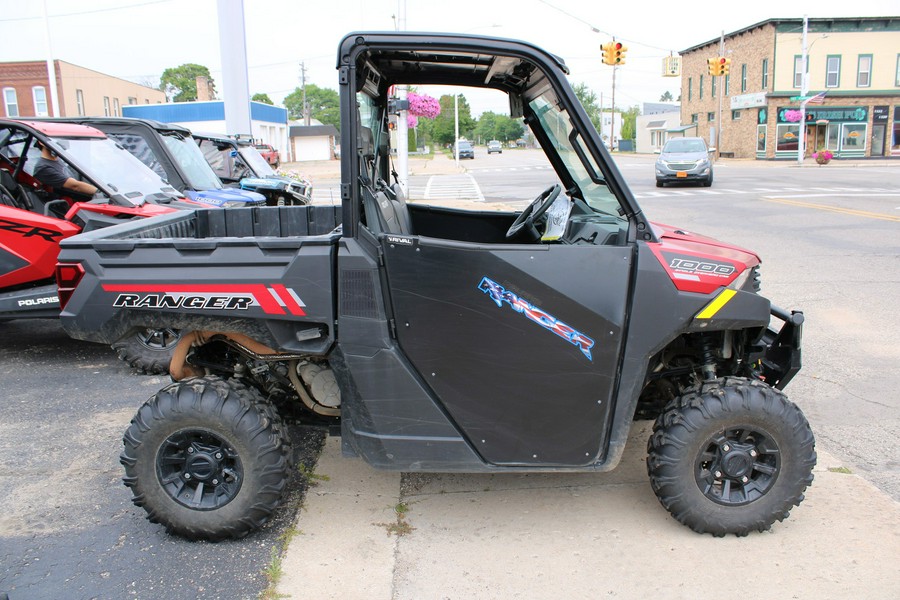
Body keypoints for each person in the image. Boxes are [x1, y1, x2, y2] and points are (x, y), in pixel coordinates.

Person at [32, 140, 97, 197]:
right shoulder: (43, 168)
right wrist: (100, 192)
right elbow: (75, 186)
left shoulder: (58, 159)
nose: (58, 143)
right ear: (41, 142)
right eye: (53, 141)